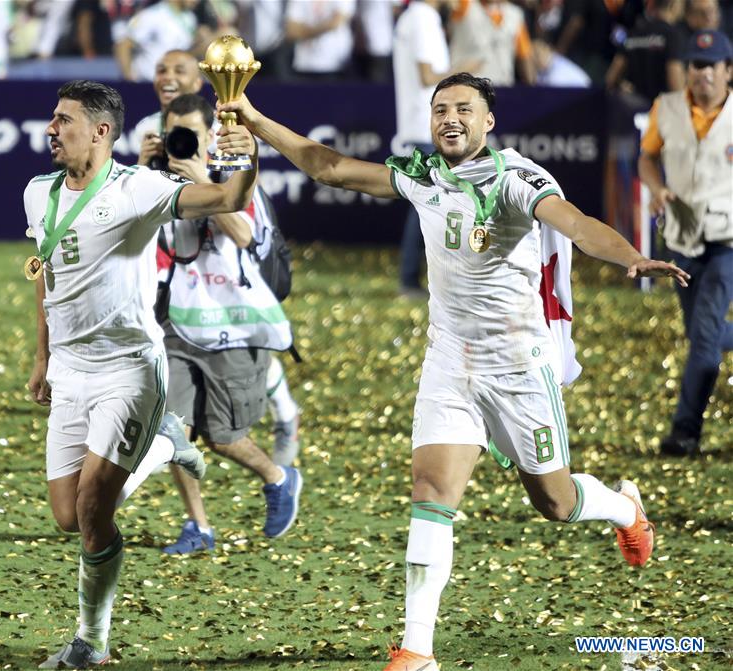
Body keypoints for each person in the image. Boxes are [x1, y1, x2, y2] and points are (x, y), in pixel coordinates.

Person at [217, 73, 689, 671]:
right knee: (431, 494)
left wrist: (631, 256)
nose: (450, 118)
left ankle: (625, 508)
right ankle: (417, 648)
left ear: (488, 122)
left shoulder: (516, 180)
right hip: (450, 360)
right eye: (440, 109)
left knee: (555, 501)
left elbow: (573, 223)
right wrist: (254, 119)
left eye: (464, 109)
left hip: (518, 365)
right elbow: (327, 166)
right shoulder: (423, 176)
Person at [24, 80, 259, 668]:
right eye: (52, 119)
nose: (51, 129)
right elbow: (43, 274)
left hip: (129, 369)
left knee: (92, 510)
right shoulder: (37, 193)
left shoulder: (138, 188)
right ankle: (161, 446)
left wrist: (246, 159)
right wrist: (42, 356)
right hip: (72, 372)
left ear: (101, 132)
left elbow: (227, 199)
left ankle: (91, 642)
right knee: (66, 515)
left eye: (64, 120)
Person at [156, 94, 303, 555]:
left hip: (236, 325)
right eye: (173, 132)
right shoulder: (158, 179)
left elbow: (243, 234)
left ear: (210, 134)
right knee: (174, 430)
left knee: (222, 437)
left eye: (191, 133)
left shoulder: (234, 175)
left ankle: (278, 477)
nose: (181, 142)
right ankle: (197, 525)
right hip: (179, 322)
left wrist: (203, 181)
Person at [638, 30, 732, 458]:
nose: (703, 73)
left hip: (727, 241)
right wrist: (656, 188)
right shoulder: (667, 107)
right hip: (682, 239)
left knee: (705, 344)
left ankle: (685, 431)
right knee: (701, 335)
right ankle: (687, 427)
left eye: (712, 64)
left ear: (727, 71)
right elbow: (646, 157)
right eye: (697, 64)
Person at [393, 0, 481, 297]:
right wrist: (465, 71)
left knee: (427, 203)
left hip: (421, 123)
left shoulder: (414, 16)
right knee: (428, 205)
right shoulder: (423, 17)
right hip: (427, 126)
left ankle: (414, 278)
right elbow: (429, 76)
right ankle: (410, 280)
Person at [605, 0, 685, 104]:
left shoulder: (634, 32)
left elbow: (611, 79)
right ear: (673, 4)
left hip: (634, 110)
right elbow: (675, 84)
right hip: (660, 111)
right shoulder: (672, 36)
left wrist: (621, 85)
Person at [447, 0, 535, 86]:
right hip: (466, 87)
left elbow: (524, 56)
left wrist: (533, 90)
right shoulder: (465, 4)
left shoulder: (515, 15)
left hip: (502, 88)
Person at [115, 0, 197, 82]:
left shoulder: (190, 18)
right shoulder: (152, 14)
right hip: (147, 83)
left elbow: (186, 52)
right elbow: (123, 45)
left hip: (175, 84)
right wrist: (128, 79)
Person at [284, 0, 356, 81]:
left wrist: (303, 31)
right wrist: (321, 28)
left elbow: (336, 23)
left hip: (335, 65)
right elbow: (291, 31)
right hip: (304, 65)